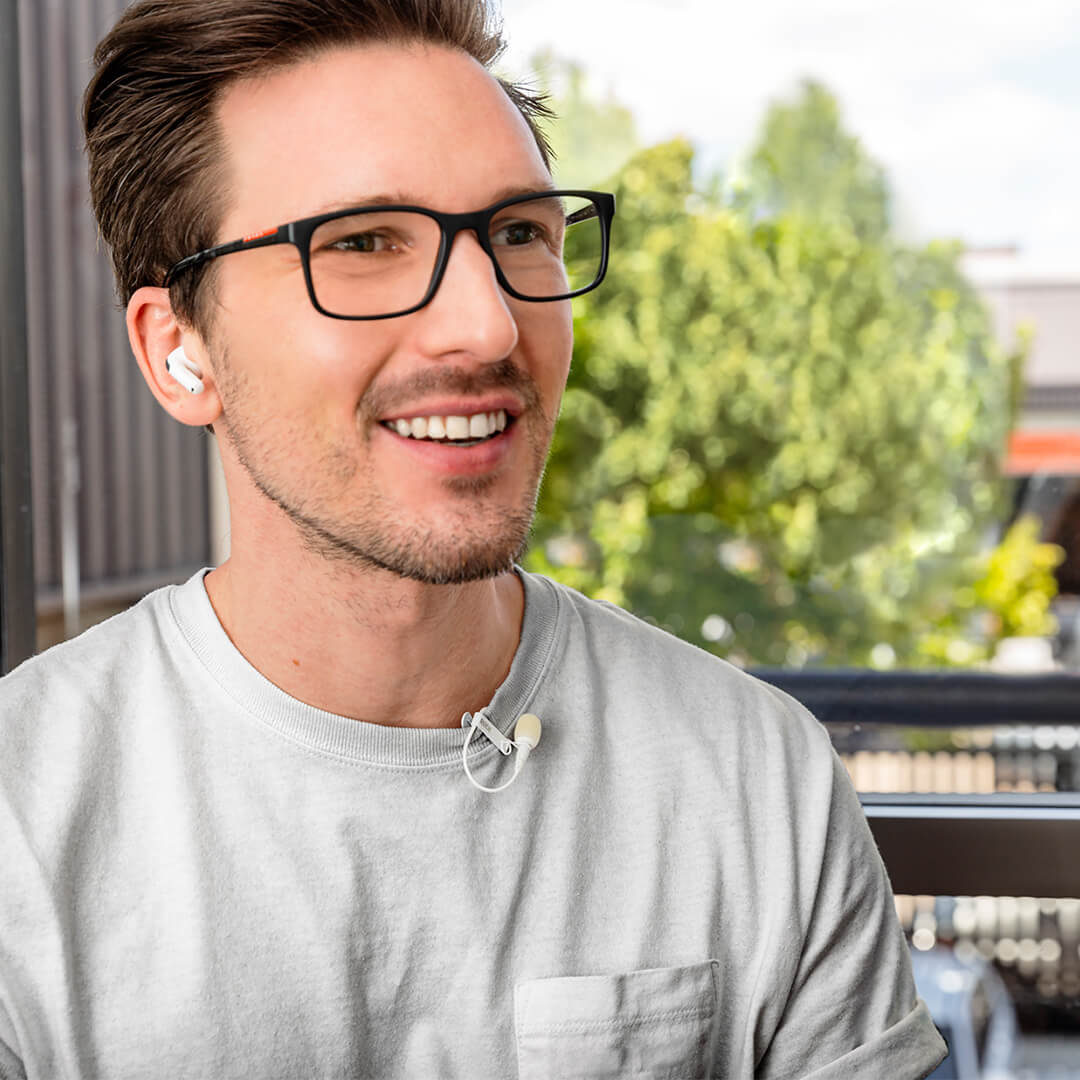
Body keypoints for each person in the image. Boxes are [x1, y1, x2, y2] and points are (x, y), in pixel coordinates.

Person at [0, 1, 947, 1076]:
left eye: (517, 234)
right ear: (179, 352)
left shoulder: (754, 776)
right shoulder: (23, 819)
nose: (489, 325)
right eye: (360, 243)